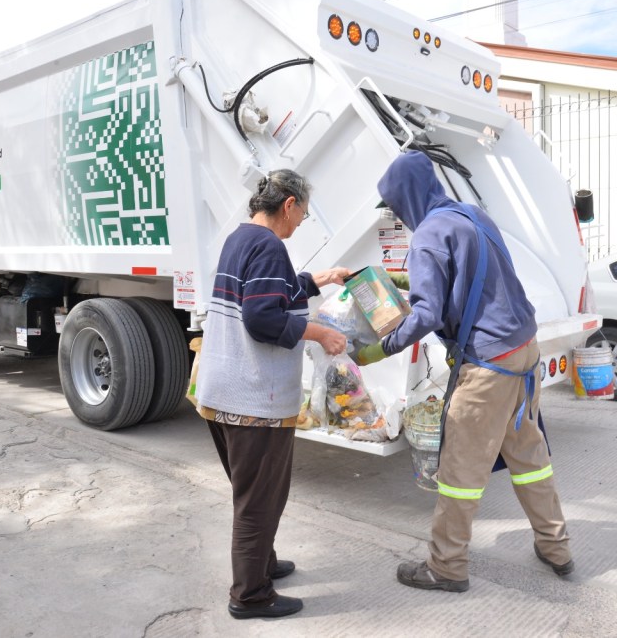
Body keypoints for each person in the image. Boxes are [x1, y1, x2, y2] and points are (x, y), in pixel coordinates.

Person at [357, 150, 574, 592]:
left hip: (489, 367)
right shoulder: (469, 215)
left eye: (396, 207)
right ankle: (557, 548)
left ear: (407, 198)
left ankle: (447, 567)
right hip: (523, 353)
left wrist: (377, 351)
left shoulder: (427, 237)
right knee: (529, 457)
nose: (397, 216)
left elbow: (426, 316)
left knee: (460, 473)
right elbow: (474, 274)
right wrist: (402, 280)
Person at [196, 169, 349, 619]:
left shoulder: (241, 239)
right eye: (301, 213)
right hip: (253, 401)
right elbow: (262, 319)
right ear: (288, 205)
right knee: (258, 500)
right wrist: (319, 333)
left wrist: (318, 279)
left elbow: (269, 293)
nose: (300, 222)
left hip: (222, 394)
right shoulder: (269, 246)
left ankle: (262, 563)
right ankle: (250, 595)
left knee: (253, 494)